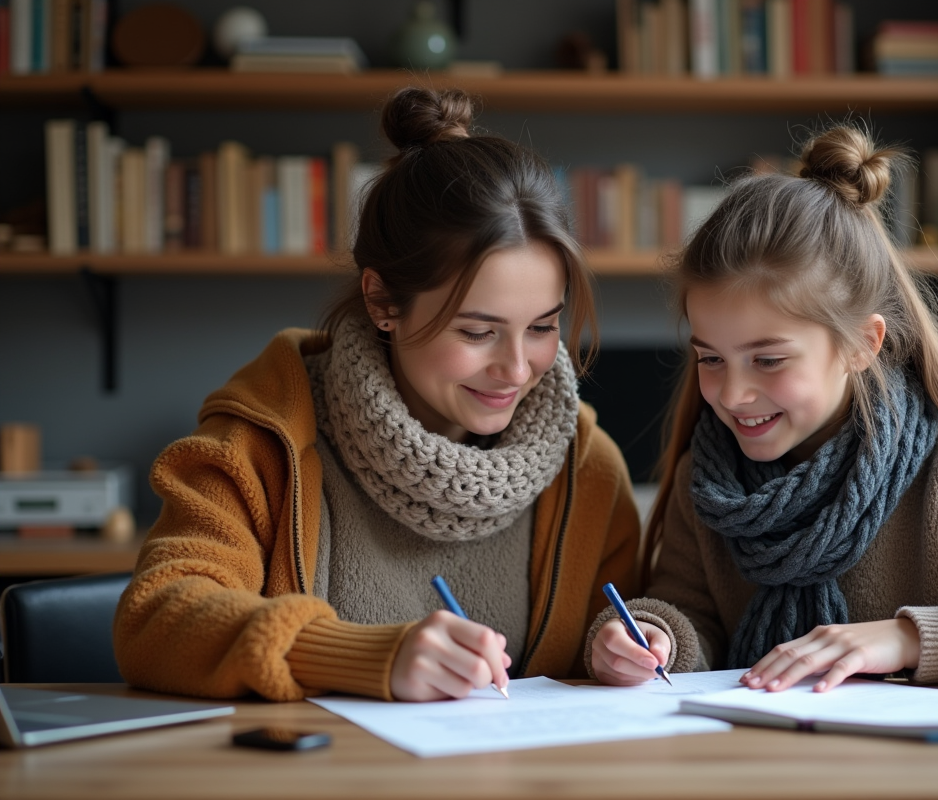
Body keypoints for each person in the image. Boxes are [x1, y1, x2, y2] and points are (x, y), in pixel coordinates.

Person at [587, 125, 938, 693]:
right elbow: (690, 613)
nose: (732, 395)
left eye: (768, 361)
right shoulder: (708, 482)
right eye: (710, 359)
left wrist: (912, 638)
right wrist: (654, 637)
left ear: (863, 344)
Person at [114, 87, 642, 703]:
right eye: (478, 331)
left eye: (544, 326)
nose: (517, 369)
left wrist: (630, 644)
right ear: (382, 301)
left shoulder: (585, 464)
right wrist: (365, 657)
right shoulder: (260, 443)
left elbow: (629, 624)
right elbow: (157, 619)